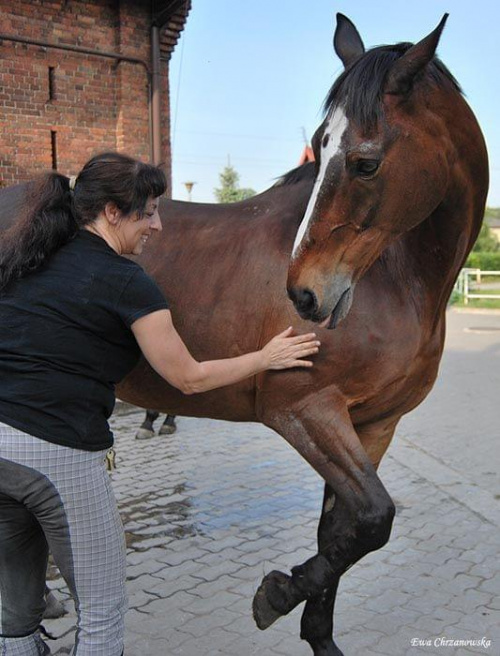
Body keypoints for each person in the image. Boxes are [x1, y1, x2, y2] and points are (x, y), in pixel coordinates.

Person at [0, 152, 320, 656]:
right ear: (110, 212)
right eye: (148, 211)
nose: (158, 224)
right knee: (102, 621)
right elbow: (188, 379)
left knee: (15, 617)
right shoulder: (127, 281)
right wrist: (266, 356)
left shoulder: (26, 257)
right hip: (58, 458)